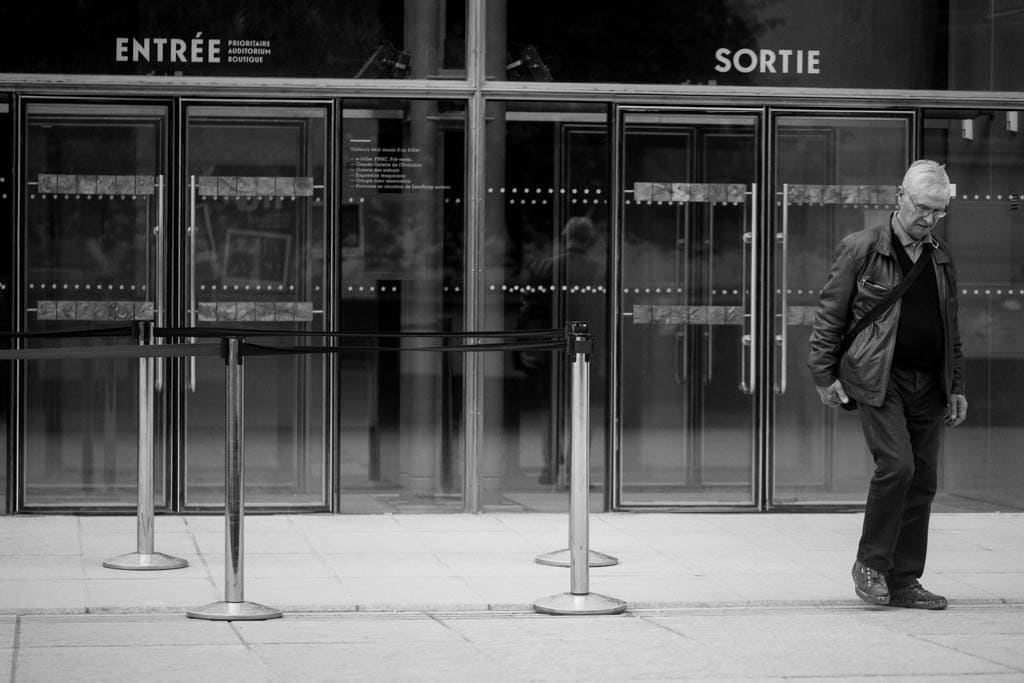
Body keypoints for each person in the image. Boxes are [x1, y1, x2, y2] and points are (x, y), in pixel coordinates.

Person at [807, 160, 967, 610]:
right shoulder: (860, 249)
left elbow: (949, 323)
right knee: (897, 466)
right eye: (923, 208)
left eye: (939, 211)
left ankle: (904, 579)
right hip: (878, 378)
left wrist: (955, 383)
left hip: (929, 384)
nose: (929, 218)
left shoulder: (940, 255)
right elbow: (831, 315)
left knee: (924, 480)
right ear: (900, 197)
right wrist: (823, 373)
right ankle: (871, 565)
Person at [516, 216, 604, 486]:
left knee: (551, 409)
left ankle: (551, 468)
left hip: (551, 349)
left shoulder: (543, 267)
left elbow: (528, 310)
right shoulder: (598, 271)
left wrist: (523, 347)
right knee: (581, 410)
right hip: (587, 349)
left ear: (565, 237)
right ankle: (578, 472)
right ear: (590, 241)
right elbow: (602, 315)